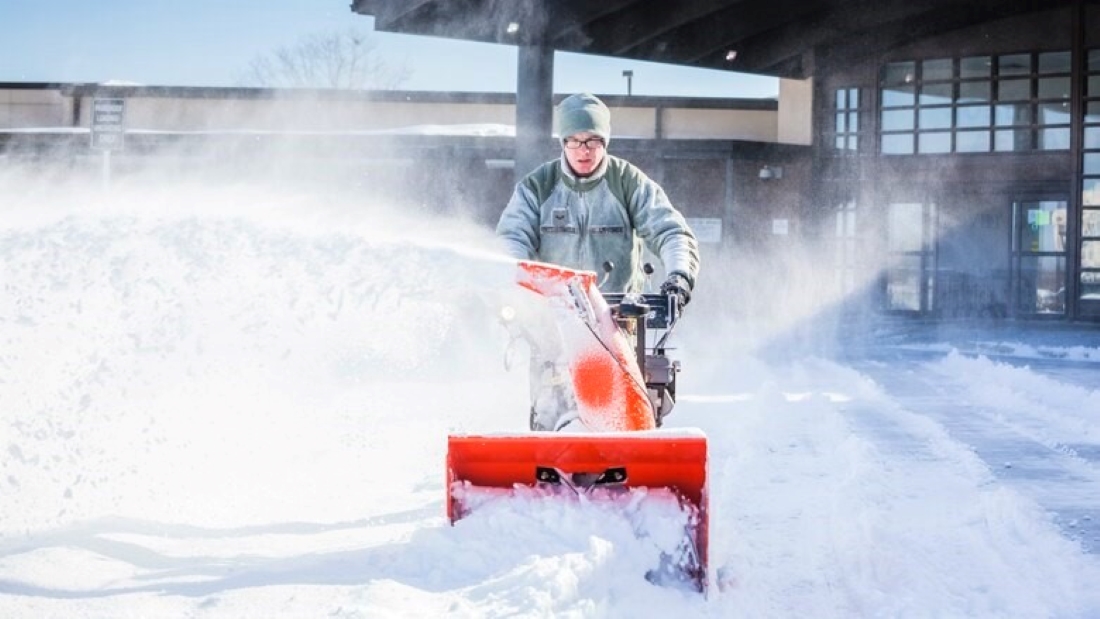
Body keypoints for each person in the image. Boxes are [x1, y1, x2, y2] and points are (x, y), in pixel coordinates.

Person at [496, 93, 700, 430]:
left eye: (592, 140)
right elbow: (511, 239)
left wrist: (679, 278)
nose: (583, 150)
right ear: (562, 142)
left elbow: (671, 231)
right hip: (554, 321)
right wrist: (514, 279)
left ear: (604, 141)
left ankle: (633, 444)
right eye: (574, 141)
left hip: (618, 324)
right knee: (550, 401)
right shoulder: (537, 187)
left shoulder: (628, 183)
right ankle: (549, 452)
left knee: (626, 408)